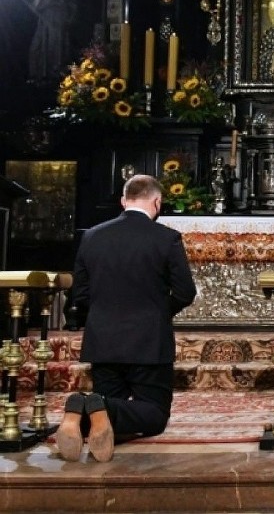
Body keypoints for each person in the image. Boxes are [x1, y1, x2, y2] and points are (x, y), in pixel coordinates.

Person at [58, 175, 196, 461]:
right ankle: (87, 409)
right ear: (157, 202)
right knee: (155, 415)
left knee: (107, 407)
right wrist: (156, 314)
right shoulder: (166, 237)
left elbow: (80, 294)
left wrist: (101, 316)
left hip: (103, 340)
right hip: (149, 343)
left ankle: (82, 413)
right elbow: (185, 291)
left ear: (123, 201)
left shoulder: (92, 236)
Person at [28, 0, 77, 82]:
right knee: (38, 47)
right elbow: (35, 6)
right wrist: (51, 1)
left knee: (59, 49)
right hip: (47, 20)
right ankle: (38, 75)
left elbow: (74, 7)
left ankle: (57, 75)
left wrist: (70, 17)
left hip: (60, 21)